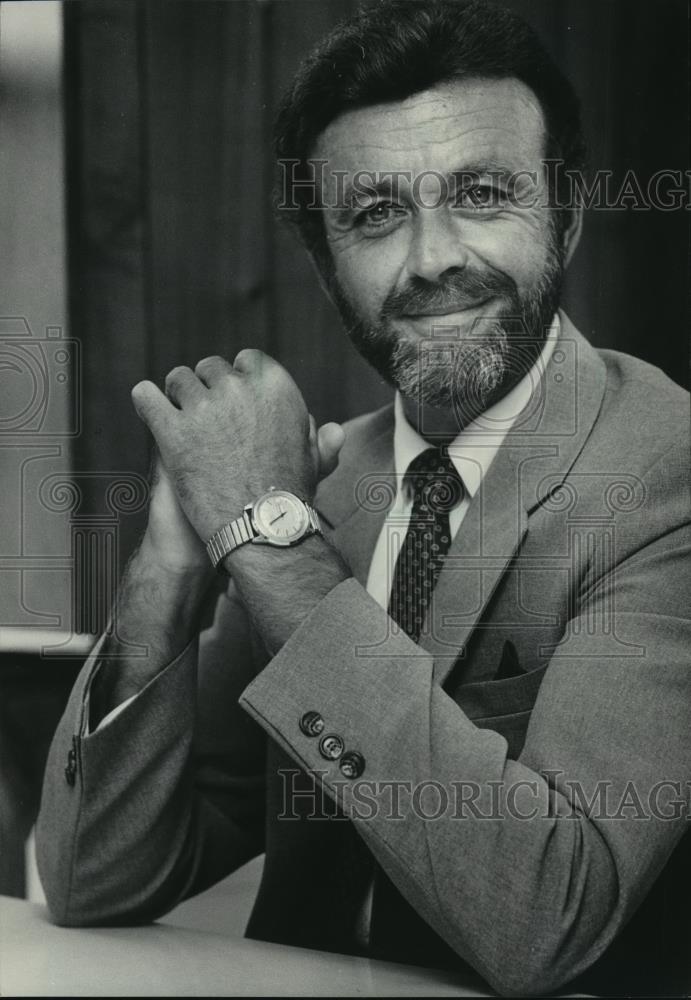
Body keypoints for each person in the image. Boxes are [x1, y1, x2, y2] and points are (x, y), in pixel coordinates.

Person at [36, 1, 690, 995]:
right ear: (324, 261)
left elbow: (547, 920)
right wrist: (174, 555)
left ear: (569, 214)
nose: (431, 257)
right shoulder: (332, 482)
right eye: (376, 212)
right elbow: (90, 878)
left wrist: (262, 535)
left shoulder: (664, 471)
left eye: (481, 192)